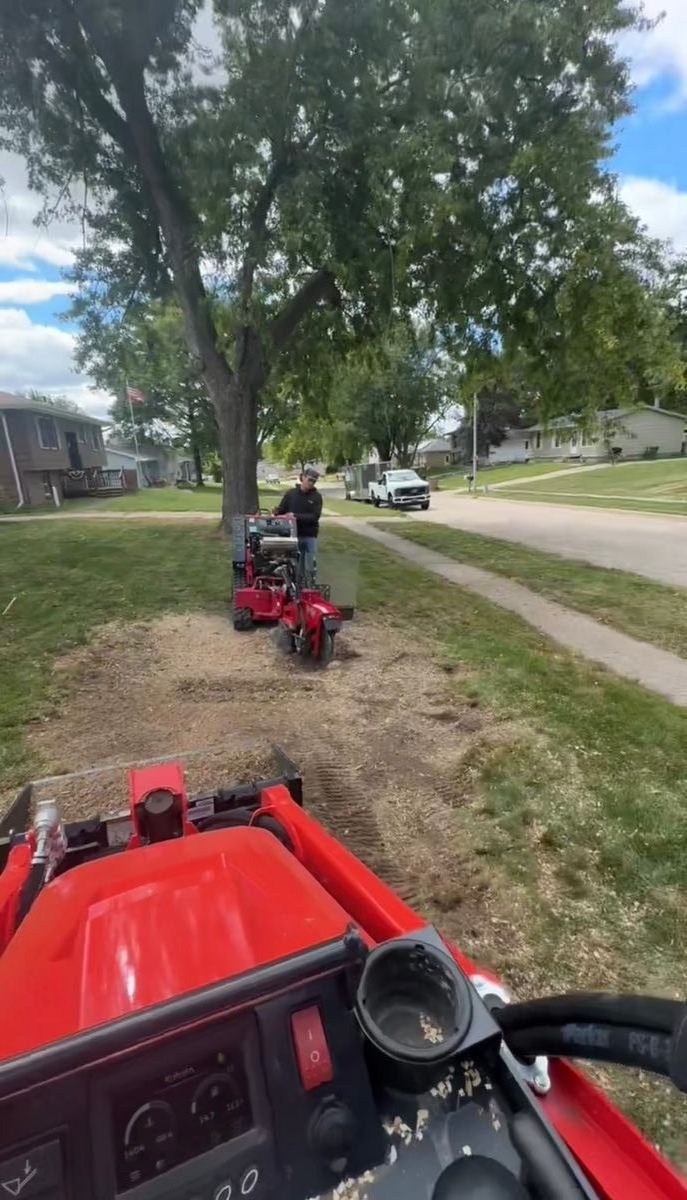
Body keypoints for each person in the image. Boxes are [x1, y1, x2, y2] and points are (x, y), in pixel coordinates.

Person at [273, 467, 323, 580]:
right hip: (293, 534)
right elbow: (281, 510)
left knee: (310, 564)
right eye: (309, 479)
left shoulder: (316, 497)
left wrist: (295, 516)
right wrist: (276, 511)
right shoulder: (291, 494)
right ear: (303, 477)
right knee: (295, 563)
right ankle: (297, 585)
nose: (311, 483)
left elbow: (315, 517)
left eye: (314, 481)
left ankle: (310, 584)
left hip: (310, 535)